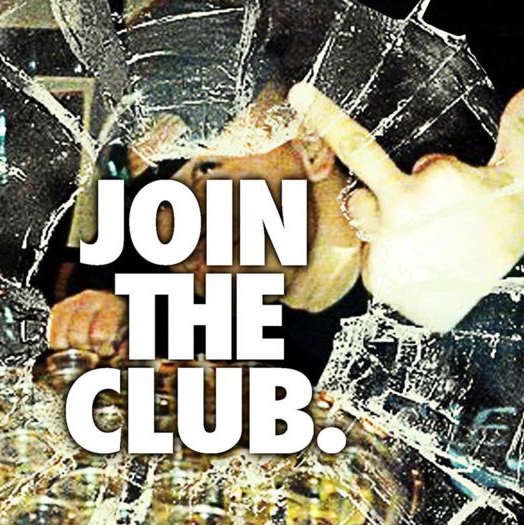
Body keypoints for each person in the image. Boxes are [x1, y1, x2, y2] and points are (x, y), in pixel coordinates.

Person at [47, 84, 524, 378]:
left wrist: (495, 299)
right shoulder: (214, 314)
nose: (177, 230)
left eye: (206, 171)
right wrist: (118, 317)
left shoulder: (445, 256)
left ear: (311, 148)